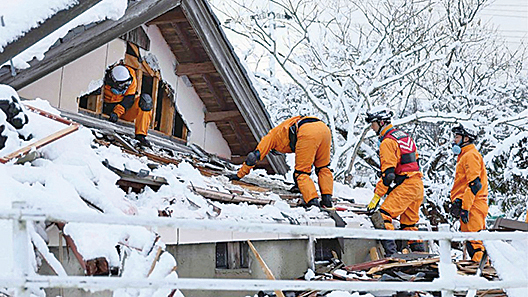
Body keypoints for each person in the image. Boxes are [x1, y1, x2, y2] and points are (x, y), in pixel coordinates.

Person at [227, 116, 334, 209]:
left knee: (301, 173)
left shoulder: (271, 137)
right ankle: (327, 199)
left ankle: (312, 202)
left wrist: (239, 175)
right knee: (323, 168)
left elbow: (253, 156)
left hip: (307, 131)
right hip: (324, 129)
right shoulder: (284, 128)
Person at [365, 106, 425, 257]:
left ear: (381, 122)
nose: (372, 128)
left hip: (407, 186)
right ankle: (420, 258)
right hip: (417, 185)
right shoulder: (404, 136)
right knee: (409, 225)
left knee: (383, 216)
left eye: (373, 124)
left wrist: (376, 198)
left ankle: (392, 256)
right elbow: (411, 162)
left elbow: (388, 175)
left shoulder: (387, 142)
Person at [449, 123, 488, 262]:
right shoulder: (465, 156)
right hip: (469, 204)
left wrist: (465, 208)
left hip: (473, 206)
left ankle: (482, 273)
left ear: (466, 139)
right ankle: (478, 271)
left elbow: (474, 184)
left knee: (475, 243)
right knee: (471, 242)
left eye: (457, 137)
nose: (454, 140)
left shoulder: (470, 156)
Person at [103, 63, 153, 148]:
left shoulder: (131, 77)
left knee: (145, 101)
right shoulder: (103, 79)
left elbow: (128, 100)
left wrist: (117, 113)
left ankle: (141, 135)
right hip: (106, 107)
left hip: (124, 110)